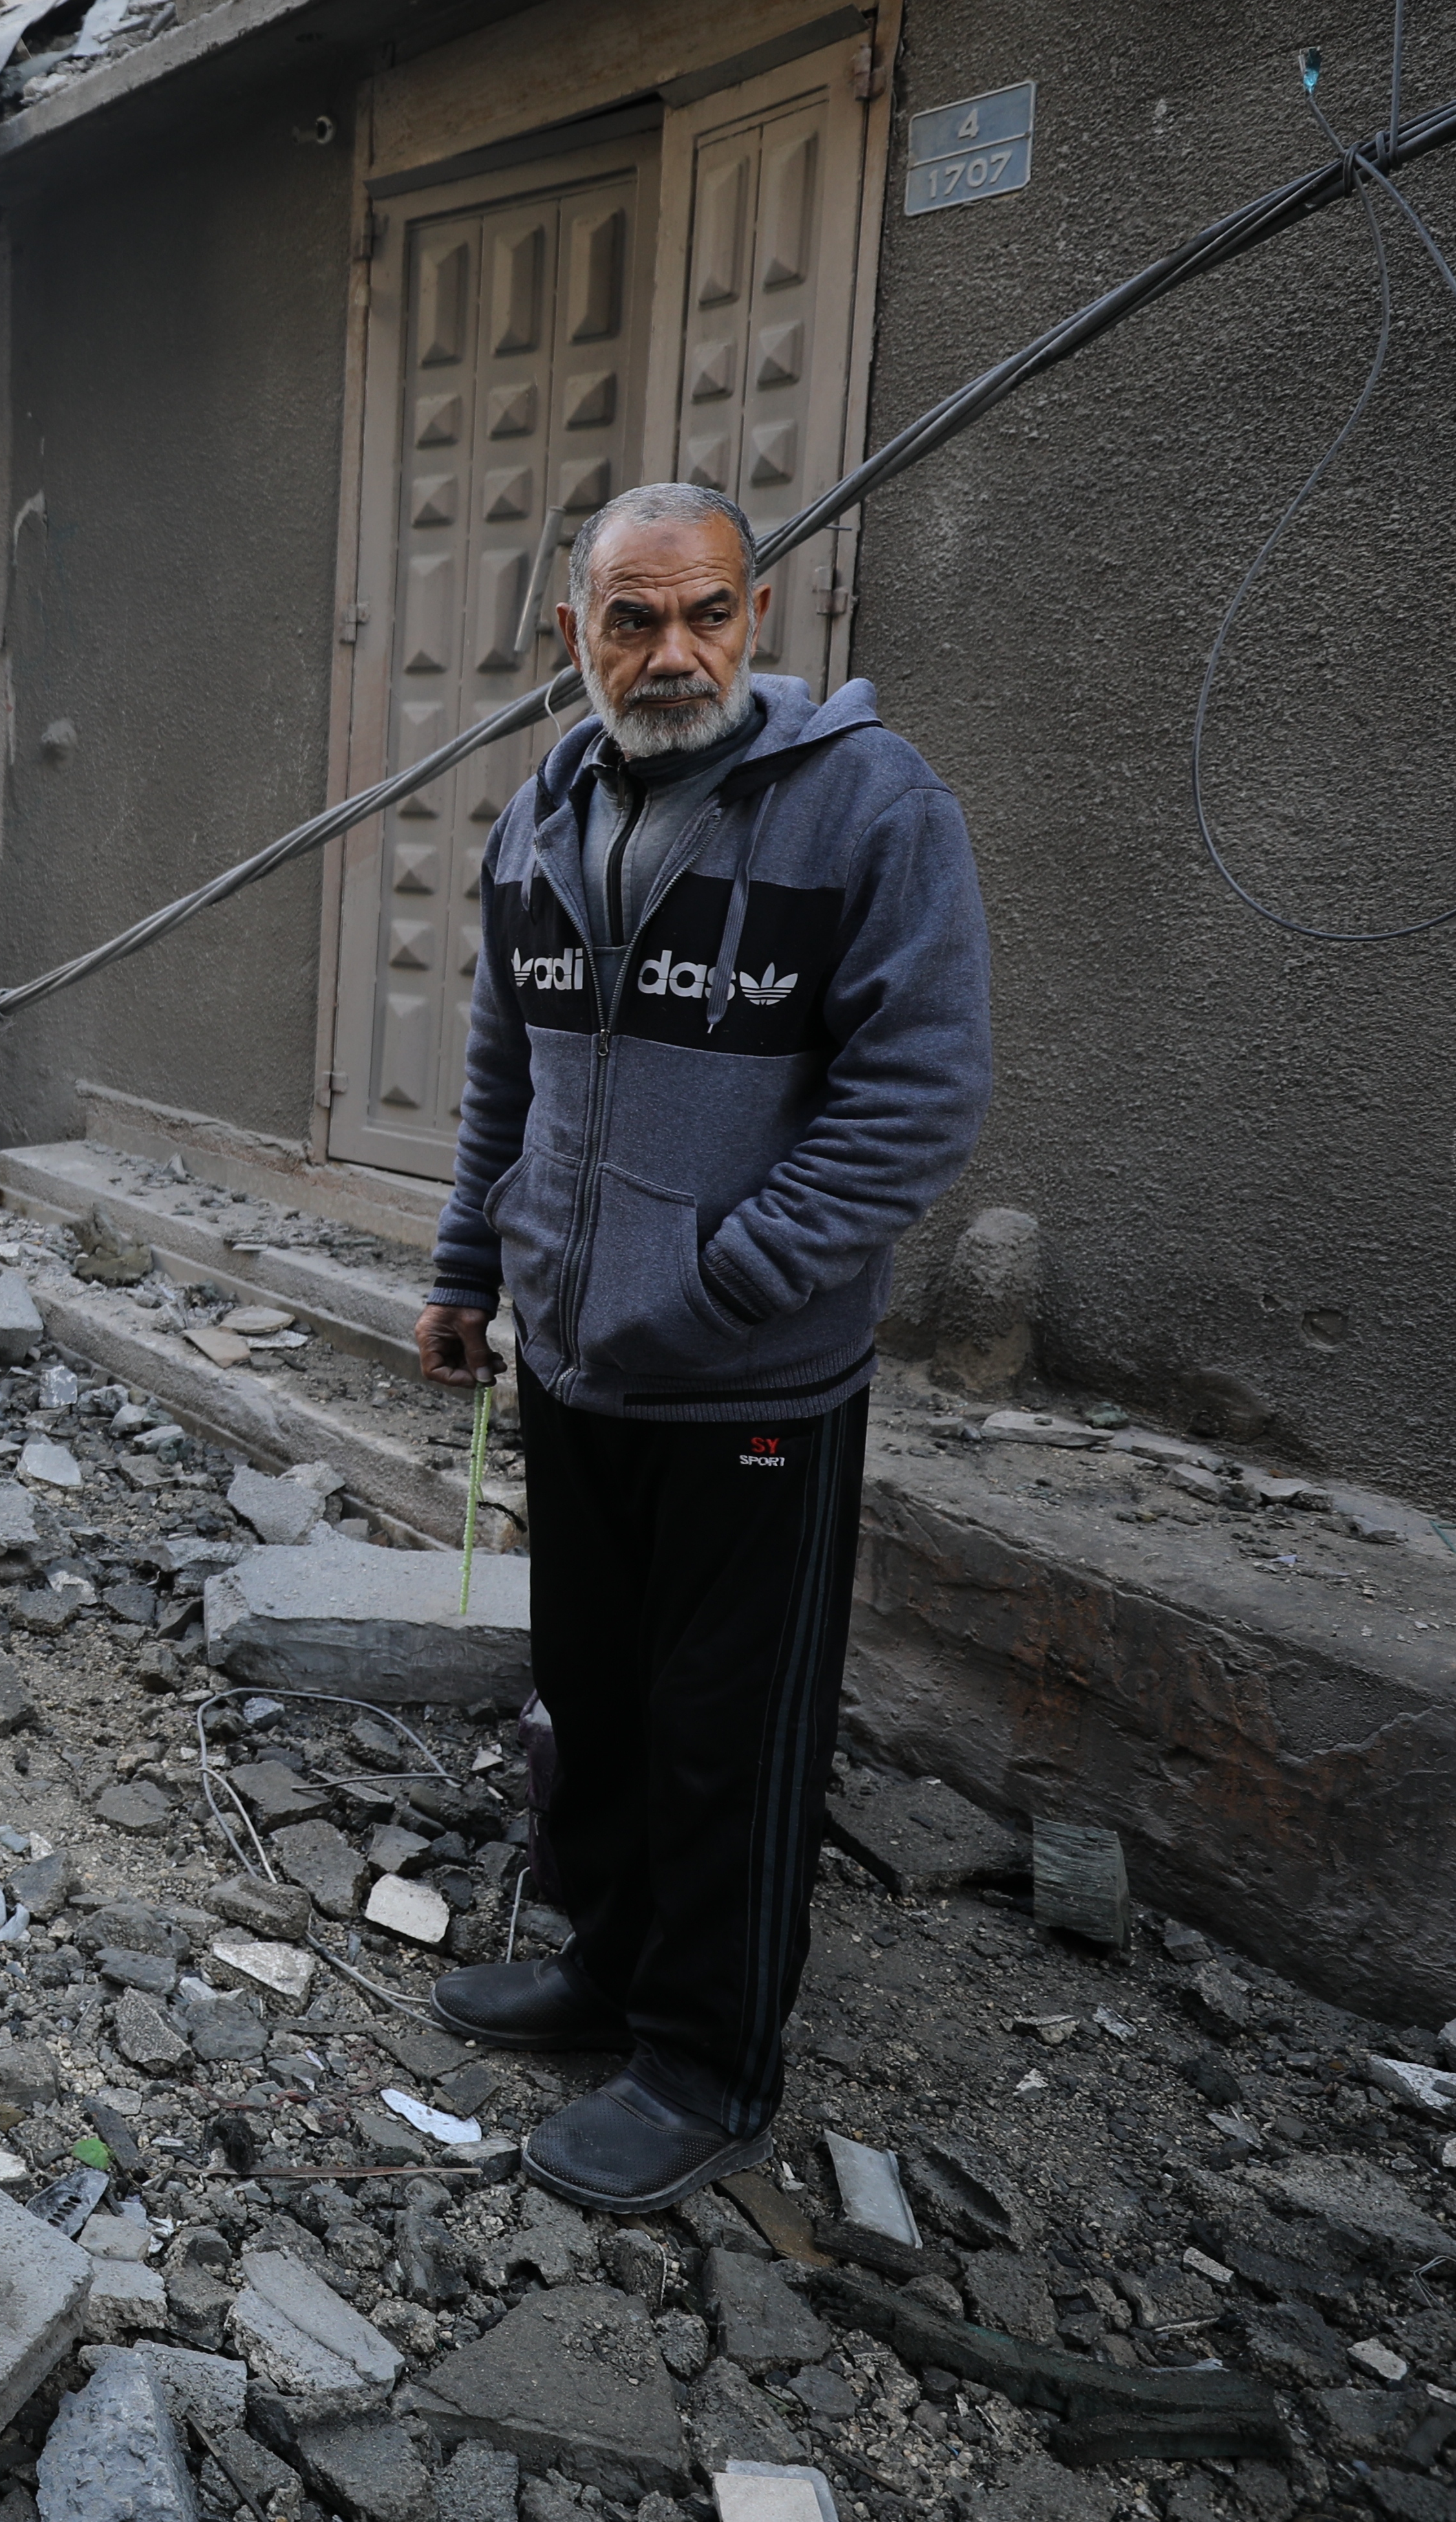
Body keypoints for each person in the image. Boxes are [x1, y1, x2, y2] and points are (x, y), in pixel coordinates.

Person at [415, 480, 994, 2214]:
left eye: (706, 615)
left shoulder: (873, 815)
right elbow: (502, 1074)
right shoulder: (547, 815)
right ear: (580, 633)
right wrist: (470, 1264)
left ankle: (707, 2064)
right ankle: (608, 1970)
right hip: (582, 1365)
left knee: (724, 1732)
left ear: (758, 619)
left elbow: (919, 1102)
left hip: (750, 1383)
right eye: (631, 619)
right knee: (590, 1702)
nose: (671, 653)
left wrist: (732, 1281)